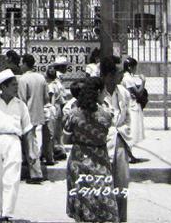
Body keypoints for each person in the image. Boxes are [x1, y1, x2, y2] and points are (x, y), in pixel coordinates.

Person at [0, 69, 33, 223]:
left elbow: (28, 129)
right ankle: (2, 209)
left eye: (17, 84)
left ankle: (7, 214)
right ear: (3, 87)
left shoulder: (21, 105)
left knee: (12, 177)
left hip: (14, 141)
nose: (16, 87)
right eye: (13, 85)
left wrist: (30, 151)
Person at [64, 76, 119, 222]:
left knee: (82, 203)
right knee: (101, 203)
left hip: (78, 162)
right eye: (104, 91)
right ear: (98, 92)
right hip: (99, 162)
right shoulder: (106, 115)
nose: (106, 94)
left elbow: (66, 137)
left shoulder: (73, 113)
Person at [100, 56, 132, 222]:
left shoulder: (124, 93)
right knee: (102, 189)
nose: (123, 75)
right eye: (120, 72)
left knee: (121, 187)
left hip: (120, 143)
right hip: (101, 146)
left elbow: (128, 119)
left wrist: (125, 138)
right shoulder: (97, 94)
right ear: (110, 75)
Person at [17, 53, 48, 183]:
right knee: (32, 142)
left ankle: (36, 173)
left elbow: (21, 100)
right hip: (38, 113)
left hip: (27, 115)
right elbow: (46, 98)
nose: (19, 64)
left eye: (20, 62)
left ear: (25, 64)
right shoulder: (41, 78)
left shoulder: (23, 80)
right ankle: (29, 168)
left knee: (31, 144)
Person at [122, 57, 146, 163]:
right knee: (132, 130)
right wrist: (143, 82)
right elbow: (138, 93)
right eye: (135, 67)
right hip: (131, 106)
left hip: (129, 105)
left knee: (131, 130)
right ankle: (128, 155)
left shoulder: (125, 77)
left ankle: (129, 155)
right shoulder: (128, 78)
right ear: (130, 67)